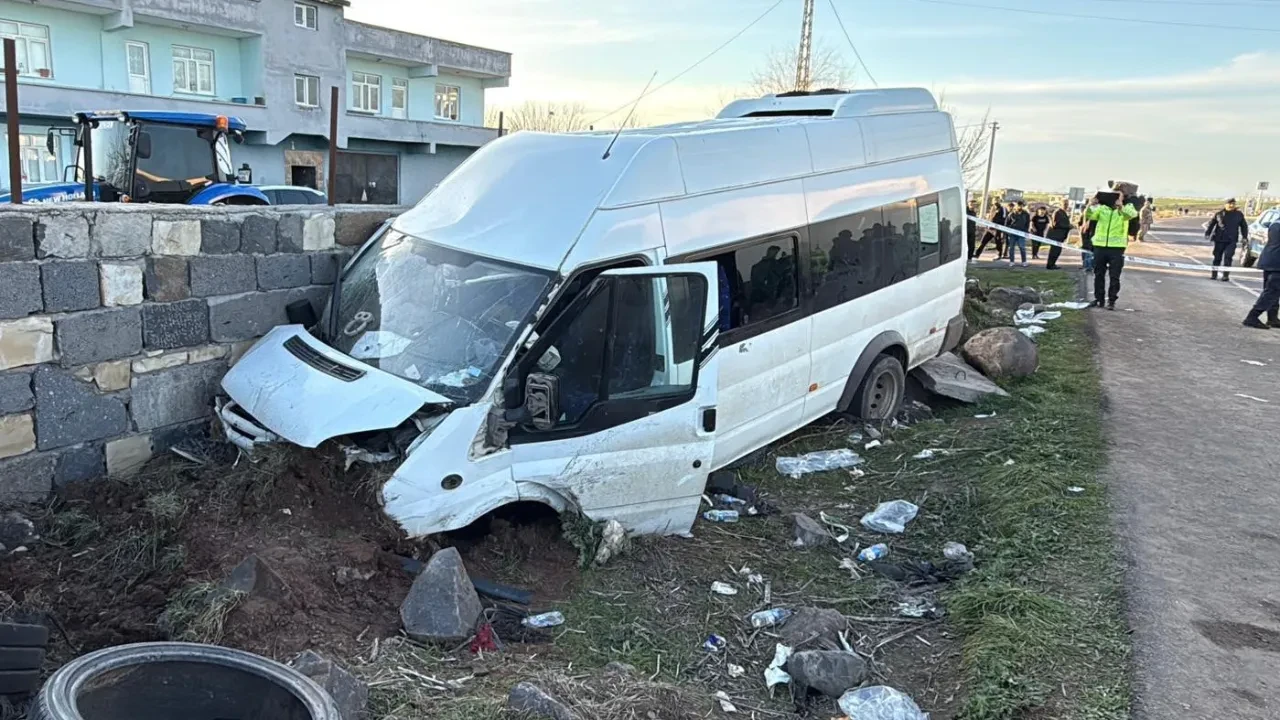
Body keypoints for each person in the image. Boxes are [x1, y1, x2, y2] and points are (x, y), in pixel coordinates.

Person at [1084, 191, 1139, 309]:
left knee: (1114, 275)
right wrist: (1090, 204)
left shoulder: (1127, 207)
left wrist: (1121, 207)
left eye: (1118, 196)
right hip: (1100, 245)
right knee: (1099, 274)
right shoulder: (1102, 208)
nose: (1115, 197)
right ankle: (1099, 299)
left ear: (1123, 197)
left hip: (1117, 247)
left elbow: (1132, 215)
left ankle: (1112, 301)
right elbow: (1090, 215)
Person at [1243, 221, 1280, 329]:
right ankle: (1252, 316)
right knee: (1272, 292)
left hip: (1269, 259)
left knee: (1272, 291)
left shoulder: (1275, 224)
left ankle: (1272, 317)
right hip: (1277, 263)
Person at [1204, 198, 1250, 282]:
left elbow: (1244, 226)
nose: (1231, 205)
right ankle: (1214, 274)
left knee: (1228, 257)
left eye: (1233, 204)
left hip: (1231, 240)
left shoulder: (1239, 215)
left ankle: (1225, 276)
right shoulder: (1219, 214)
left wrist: (1244, 237)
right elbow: (1211, 224)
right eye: (1230, 204)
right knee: (1217, 258)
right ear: (1225, 205)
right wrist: (1207, 233)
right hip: (1219, 239)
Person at [1045, 198, 1072, 270]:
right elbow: (1055, 224)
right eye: (1064, 204)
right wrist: (1068, 226)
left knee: (1057, 251)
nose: (1066, 205)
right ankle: (1050, 265)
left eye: (1067, 204)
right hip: (1055, 235)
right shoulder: (1057, 212)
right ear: (1060, 204)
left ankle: (1052, 264)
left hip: (1060, 236)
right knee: (1054, 251)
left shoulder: (1063, 212)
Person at [1005, 200, 1031, 267]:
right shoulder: (1011, 214)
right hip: (1012, 234)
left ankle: (1024, 261)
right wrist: (1008, 231)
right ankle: (1012, 261)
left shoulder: (1026, 214)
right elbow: (1006, 223)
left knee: (1022, 247)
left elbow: (1027, 224)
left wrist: (1026, 231)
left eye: (1021, 205)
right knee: (1011, 248)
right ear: (1016, 206)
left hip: (1021, 233)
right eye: (1018, 205)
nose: (1020, 206)